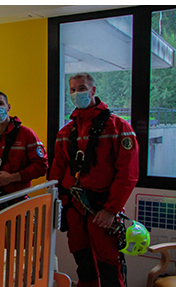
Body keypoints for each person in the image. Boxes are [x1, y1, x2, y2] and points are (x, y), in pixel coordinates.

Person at [49, 73, 138, 287]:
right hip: (74, 208)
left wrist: (111, 209)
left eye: (81, 88)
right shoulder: (65, 132)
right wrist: (56, 204)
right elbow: (56, 173)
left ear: (93, 90)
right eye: (72, 89)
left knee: (109, 265)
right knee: (84, 263)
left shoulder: (118, 127)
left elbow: (128, 173)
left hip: (102, 209)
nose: (76, 93)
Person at [0, 91, 48, 196]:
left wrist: (13, 177)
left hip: (17, 199)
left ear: (8, 107)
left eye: (0, 103)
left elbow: (41, 166)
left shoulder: (26, 135)